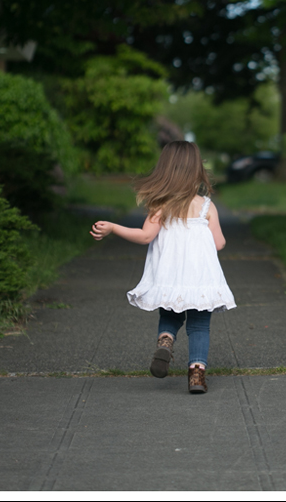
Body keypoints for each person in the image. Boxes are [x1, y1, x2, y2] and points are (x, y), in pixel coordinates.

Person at [89, 141, 235, 394]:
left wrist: (113, 227)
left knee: (169, 314)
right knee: (200, 325)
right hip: (201, 279)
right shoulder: (207, 207)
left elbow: (145, 236)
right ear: (196, 170)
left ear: (165, 170)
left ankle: (165, 340)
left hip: (169, 277)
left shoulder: (161, 205)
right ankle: (197, 375)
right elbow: (219, 243)